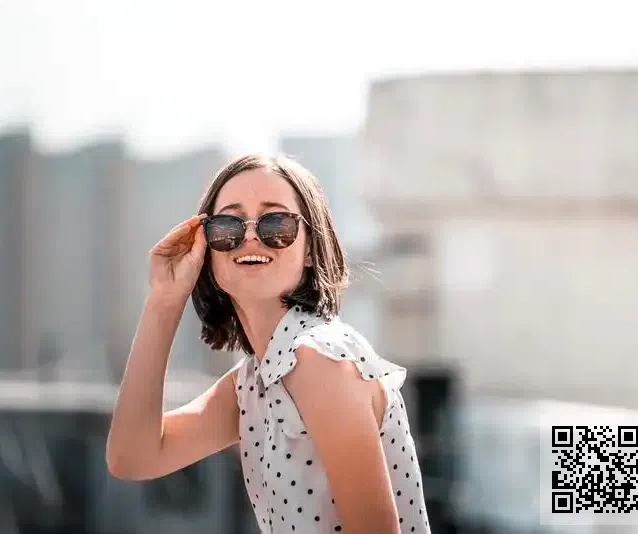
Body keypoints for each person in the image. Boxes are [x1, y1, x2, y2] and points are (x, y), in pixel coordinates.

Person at [107, 154, 431, 534]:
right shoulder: (254, 382)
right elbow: (133, 457)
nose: (250, 236)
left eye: (276, 223)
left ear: (310, 249)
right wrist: (164, 299)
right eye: (227, 226)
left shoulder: (319, 360)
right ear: (206, 250)